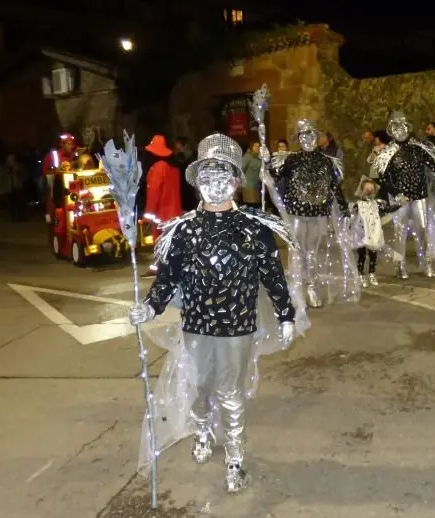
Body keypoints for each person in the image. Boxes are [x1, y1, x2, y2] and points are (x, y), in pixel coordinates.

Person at [128, 133, 305, 493]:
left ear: (237, 181)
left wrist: (286, 314)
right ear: (197, 182)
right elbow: (168, 278)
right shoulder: (184, 229)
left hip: (238, 326)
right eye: (207, 176)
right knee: (199, 387)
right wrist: (149, 307)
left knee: (230, 391)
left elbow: (273, 276)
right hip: (196, 324)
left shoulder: (254, 228)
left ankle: (235, 457)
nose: (214, 184)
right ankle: (202, 430)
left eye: (223, 175)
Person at [264, 119, 357, 308]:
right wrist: (266, 161)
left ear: (316, 137)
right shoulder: (291, 160)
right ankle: (297, 290)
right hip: (296, 212)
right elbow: (275, 175)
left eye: (310, 135)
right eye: (303, 136)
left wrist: (343, 207)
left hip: (318, 213)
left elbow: (334, 187)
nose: (306, 139)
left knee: (312, 252)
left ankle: (312, 287)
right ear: (298, 139)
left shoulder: (327, 162)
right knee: (296, 250)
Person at [371, 111, 435, 279]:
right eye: (396, 127)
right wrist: (395, 193)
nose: (400, 131)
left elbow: (433, 164)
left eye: (402, 127)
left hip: (419, 195)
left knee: (423, 229)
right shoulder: (387, 153)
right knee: (400, 232)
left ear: (407, 127)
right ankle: (400, 265)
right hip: (400, 198)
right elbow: (382, 177)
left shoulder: (418, 147)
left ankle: (427, 263)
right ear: (392, 130)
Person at [350, 176, 406, 287]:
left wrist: (399, 204)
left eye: (371, 190)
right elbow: (351, 216)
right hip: (362, 234)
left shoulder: (377, 204)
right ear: (362, 190)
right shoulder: (358, 205)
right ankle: (360, 274)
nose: (369, 192)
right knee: (362, 255)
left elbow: (388, 209)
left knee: (373, 256)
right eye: (367, 190)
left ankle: (372, 273)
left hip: (374, 233)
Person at [142, 135, 183, 276]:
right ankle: (170, 267)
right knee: (172, 241)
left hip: (162, 213)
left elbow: (154, 192)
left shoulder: (158, 168)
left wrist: (148, 215)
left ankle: (160, 268)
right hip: (175, 211)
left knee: (159, 240)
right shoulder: (174, 168)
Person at [170, 137, 199, 211]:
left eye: (178, 144)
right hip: (185, 186)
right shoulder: (183, 156)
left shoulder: (186, 157)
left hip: (187, 186)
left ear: (184, 145)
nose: (176, 146)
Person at [0, 152, 26, 221]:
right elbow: (0, 178)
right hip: (8, 188)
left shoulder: (18, 165)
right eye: (10, 158)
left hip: (17, 186)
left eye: (12, 158)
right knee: (12, 203)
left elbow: (23, 175)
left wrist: (16, 169)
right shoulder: (3, 167)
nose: (11, 159)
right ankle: (14, 217)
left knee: (19, 202)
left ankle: (19, 217)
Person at [241, 142, 263, 208]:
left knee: (257, 206)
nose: (257, 148)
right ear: (251, 147)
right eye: (255, 146)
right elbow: (241, 169)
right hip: (248, 186)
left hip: (257, 186)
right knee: (251, 205)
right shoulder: (248, 156)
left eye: (259, 146)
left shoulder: (260, 158)